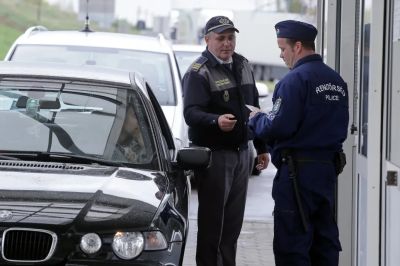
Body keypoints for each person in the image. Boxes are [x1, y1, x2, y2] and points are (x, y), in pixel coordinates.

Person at [248, 20, 349, 266]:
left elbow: (278, 126)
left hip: (296, 176)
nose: (281, 55)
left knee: (292, 245)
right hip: (326, 173)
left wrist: (256, 119)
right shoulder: (336, 81)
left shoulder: (293, 81)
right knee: (323, 242)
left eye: (283, 48)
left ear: (298, 46)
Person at [182, 16, 269, 266]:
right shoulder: (199, 72)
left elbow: (255, 108)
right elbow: (191, 113)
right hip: (215, 156)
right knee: (212, 226)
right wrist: (215, 120)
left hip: (243, 153)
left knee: (232, 224)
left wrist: (261, 147)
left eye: (231, 37)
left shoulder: (242, 64)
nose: (227, 43)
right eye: (221, 38)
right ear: (207, 40)